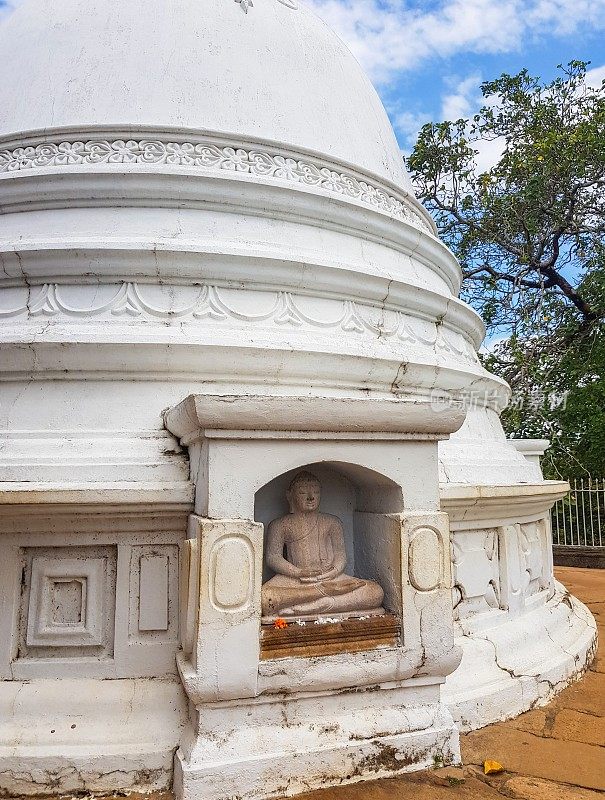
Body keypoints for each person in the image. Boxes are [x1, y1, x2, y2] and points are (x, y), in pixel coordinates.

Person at [261, 471, 384, 620]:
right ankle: (321, 596)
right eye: (302, 493)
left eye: (316, 492)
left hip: (331, 580)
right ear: (290, 496)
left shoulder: (332, 522)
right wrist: (298, 572)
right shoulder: (280, 525)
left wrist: (331, 573)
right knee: (264, 598)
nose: (311, 497)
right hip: (295, 581)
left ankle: (315, 605)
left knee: (375, 592)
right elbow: (273, 557)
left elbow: (340, 556)